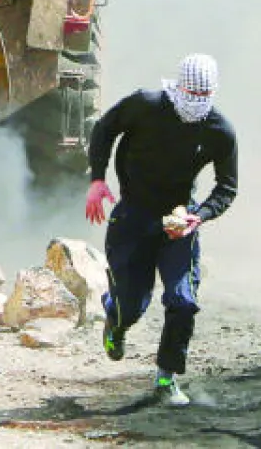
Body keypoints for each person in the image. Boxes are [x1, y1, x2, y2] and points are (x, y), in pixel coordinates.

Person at [84, 53, 238, 408]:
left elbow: (227, 187)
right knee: (132, 304)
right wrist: (97, 179)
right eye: (191, 93)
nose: (196, 102)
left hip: (179, 222)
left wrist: (199, 216)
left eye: (204, 96)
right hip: (133, 215)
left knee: (183, 300)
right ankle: (116, 319)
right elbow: (105, 128)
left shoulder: (220, 130)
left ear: (213, 92)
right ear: (179, 86)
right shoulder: (146, 104)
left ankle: (166, 377)